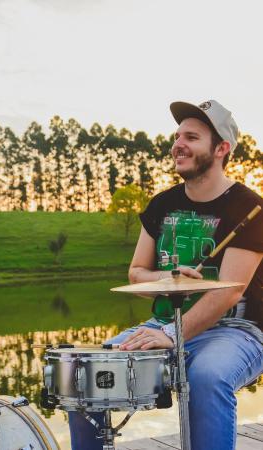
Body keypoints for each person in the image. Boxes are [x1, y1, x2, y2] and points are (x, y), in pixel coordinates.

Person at [68, 100, 263, 450]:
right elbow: (136, 273)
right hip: (162, 325)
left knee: (206, 377)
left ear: (221, 149)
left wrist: (174, 334)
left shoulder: (249, 208)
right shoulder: (162, 204)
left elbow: (229, 292)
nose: (178, 145)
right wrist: (168, 279)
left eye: (192, 137)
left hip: (236, 331)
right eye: (177, 137)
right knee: (86, 374)